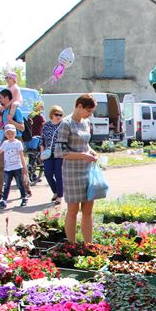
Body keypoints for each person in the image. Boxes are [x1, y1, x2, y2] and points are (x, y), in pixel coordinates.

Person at [55, 94, 99, 243]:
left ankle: (89, 244)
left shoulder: (86, 123)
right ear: (79, 106)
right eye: (88, 111)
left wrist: (92, 152)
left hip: (87, 170)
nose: (90, 114)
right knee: (73, 210)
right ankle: (71, 245)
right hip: (72, 172)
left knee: (88, 210)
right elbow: (60, 152)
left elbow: (85, 144)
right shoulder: (66, 124)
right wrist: (83, 156)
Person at [0, 88, 30, 199]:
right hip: (5, 139)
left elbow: (22, 128)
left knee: (18, 165)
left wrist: (11, 120)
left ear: (6, 98)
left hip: (16, 138)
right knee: (1, 165)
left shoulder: (16, 111)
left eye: (0, 98)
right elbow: (3, 125)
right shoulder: (4, 111)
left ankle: (26, 189)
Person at [0, 125, 28, 209]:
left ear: (15, 133)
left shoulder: (18, 143)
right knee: (6, 185)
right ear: (5, 134)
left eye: (12, 133)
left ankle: (24, 198)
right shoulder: (5, 143)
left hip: (17, 167)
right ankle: (4, 201)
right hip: (8, 168)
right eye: (8, 133)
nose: (10, 135)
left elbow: (22, 156)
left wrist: (24, 168)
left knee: (19, 184)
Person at [41, 105, 64, 204]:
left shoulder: (63, 125)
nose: (58, 116)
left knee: (59, 175)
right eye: (56, 114)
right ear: (52, 115)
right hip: (48, 153)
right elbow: (42, 140)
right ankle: (55, 191)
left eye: (60, 115)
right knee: (48, 173)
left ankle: (59, 196)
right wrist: (42, 152)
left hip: (60, 154)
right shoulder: (46, 125)